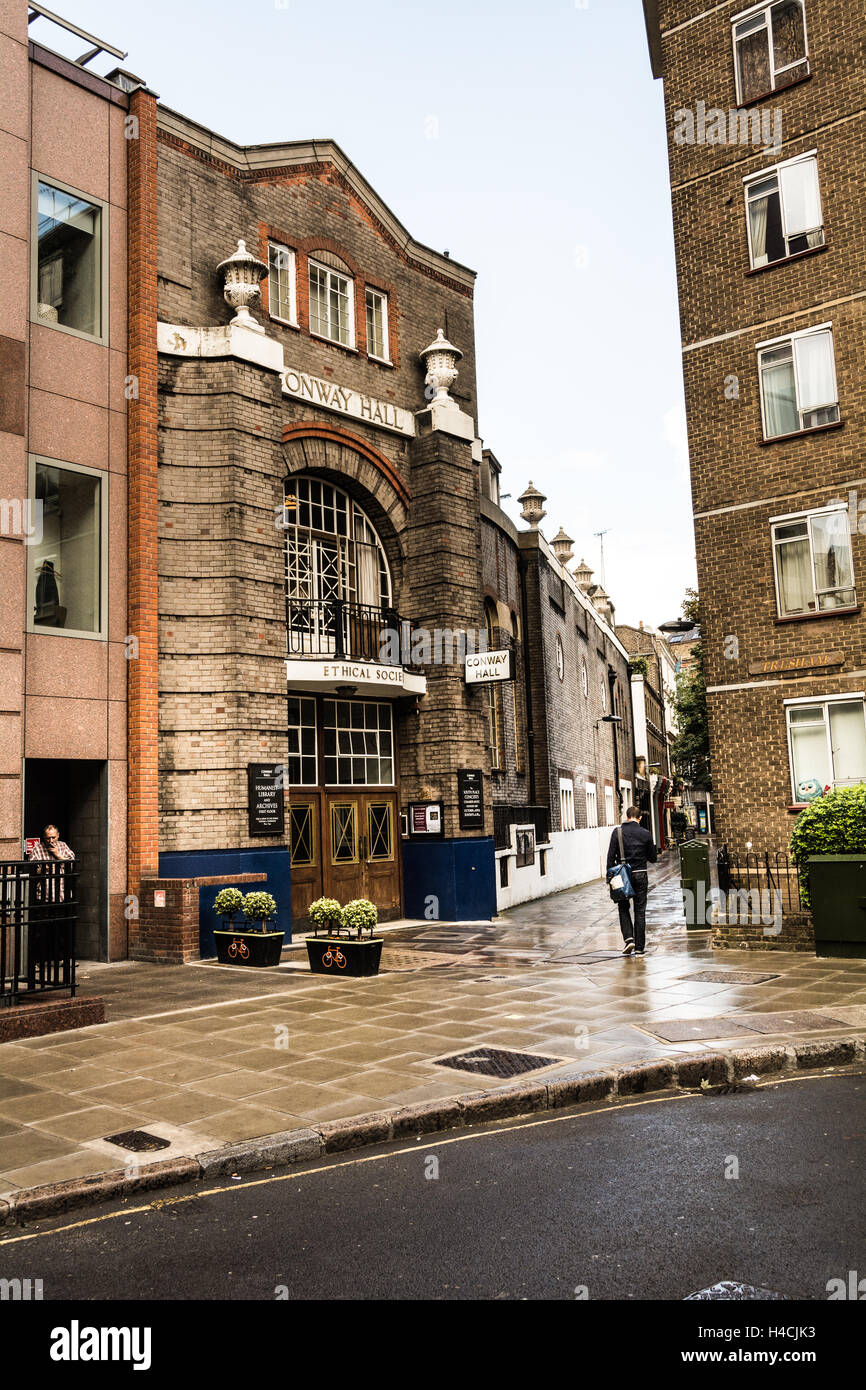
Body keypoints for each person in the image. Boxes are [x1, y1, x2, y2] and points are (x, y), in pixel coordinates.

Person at [606, 805, 657, 957]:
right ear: (639, 818)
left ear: (627, 816)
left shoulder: (617, 832)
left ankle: (629, 940)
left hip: (622, 876)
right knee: (640, 912)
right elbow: (653, 858)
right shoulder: (646, 833)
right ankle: (640, 949)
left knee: (623, 906)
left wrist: (609, 879)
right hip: (641, 874)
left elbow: (610, 858)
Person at [26, 824, 75, 902]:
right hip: (44, 894)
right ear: (44, 837)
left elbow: (72, 865)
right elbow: (31, 870)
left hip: (63, 894)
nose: (51, 841)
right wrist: (42, 870)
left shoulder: (63, 846)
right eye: (48, 838)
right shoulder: (37, 849)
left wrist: (58, 854)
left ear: (58, 835)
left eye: (53, 837)